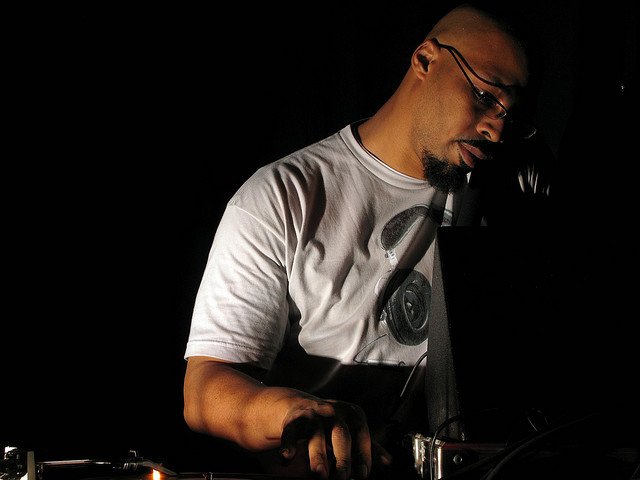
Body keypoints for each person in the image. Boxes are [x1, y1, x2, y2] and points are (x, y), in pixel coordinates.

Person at [183, 3, 551, 479]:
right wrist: (294, 411)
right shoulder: (283, 196)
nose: (495, 130)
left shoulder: (511, 190)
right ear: (425, 60)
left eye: (511, 115)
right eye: (484, 96)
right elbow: (205, 390)